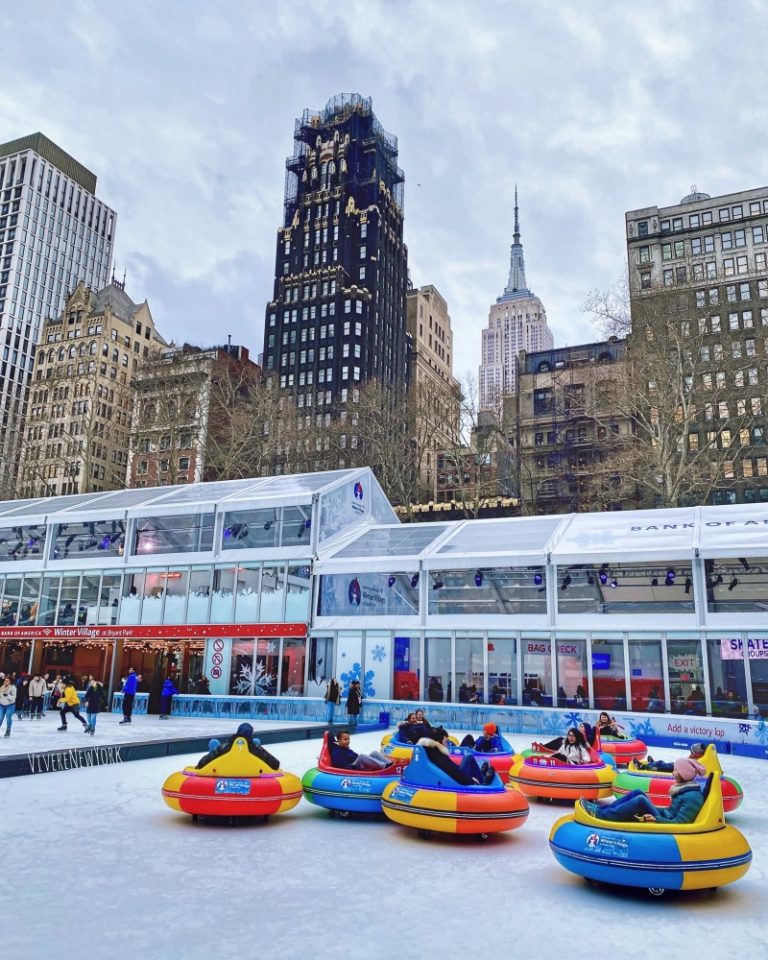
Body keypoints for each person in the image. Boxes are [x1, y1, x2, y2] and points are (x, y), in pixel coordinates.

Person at [583, 758, 706, 823]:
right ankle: (601, 810)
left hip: (666, 821)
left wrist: (656, 819)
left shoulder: (692, 797)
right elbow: (670, 811)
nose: (673, 773)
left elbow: (680, 823)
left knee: (640, 800)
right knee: (638, 792)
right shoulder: (685, 789)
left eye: (676, 770)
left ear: (684, 774)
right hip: (665, 816)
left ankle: (602, 815)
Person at [418, 728, 495, 785]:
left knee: (467, 759)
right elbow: (452, 771)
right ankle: (483, 782)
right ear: (438, 742)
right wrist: (471, 781)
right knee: (468, 757)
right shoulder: (436, 754)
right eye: (445, 741)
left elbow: (451, 766)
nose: (447, 744)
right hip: (455, 781)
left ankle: (480, 775)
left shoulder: (432, 750)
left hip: (453, 775)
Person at [195, 722, 280, 770]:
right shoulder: (256, 749)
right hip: (250, 773)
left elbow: (202, 763)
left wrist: (198, 768)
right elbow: (275, 764)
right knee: (256, 742)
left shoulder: (226, 747)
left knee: (214, 744)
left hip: (225, 772)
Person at [637, 742, 706, 773]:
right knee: (661, 762)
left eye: (692, 753)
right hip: (678, 765)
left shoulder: (696, 761)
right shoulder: (697, 758)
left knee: (662, 767)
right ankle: (653, 763)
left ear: (697, 754)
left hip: (677, 769)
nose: (690, 754)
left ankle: (643, 766)